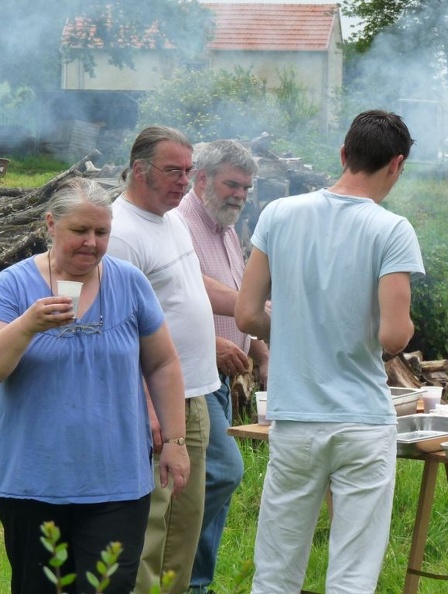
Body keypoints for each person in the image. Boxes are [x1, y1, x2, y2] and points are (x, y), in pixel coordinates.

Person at [0, 177, 190, 594]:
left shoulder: (130, 283)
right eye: (80, 231)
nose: (92, 242)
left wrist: (175, 440)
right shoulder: (14, 285)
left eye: (101, 232)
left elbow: (162, 363)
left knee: (109, 586)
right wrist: (27, 325)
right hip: (33, 482)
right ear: (51, 224)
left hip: (116, 479)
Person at [235, 109, 426, 594]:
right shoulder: (392, 229)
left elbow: (247, 316)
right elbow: (393, 338)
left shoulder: (279, 214)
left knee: (276, 569)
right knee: (353, 574)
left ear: (343, 154)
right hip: (361, 421)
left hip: (295, 418)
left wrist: (295, 332)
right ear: (397, 165)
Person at [108, 126, 237, 594]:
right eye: (172, 171)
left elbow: (193, 285)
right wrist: (147, 406)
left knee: (185, 521)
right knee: (153, 525)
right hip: (158, 401)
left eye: (188, 171)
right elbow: (117, 331)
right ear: (139, 169)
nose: (184, 181)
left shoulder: (173, 219)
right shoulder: (120, 233)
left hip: (196, 391)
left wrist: (253, 312)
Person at [177, 139, 270, 594]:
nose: (239, 195)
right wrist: (208, 339)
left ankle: (196, 582)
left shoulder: (229, 230)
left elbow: (240, 302)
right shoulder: (179, 224)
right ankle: (175, 575)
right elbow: (186, 292)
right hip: (190, 373)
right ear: (202, 179)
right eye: (232, 184)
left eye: (246, 187)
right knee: (223, 472)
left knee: (213, 481)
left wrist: (259, 350)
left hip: (223, 377)